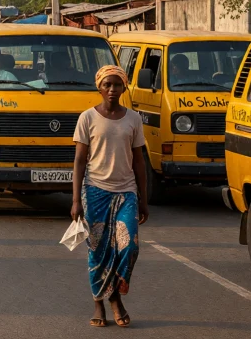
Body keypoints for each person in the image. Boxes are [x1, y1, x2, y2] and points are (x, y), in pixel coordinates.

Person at [70, 65, 149, 329]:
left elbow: (139, 162)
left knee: (128, 246)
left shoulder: (133, 119)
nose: (112, 90)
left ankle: (114, 294)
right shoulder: (87, 118)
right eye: (107, 85)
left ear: (124, 87)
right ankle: (102, 302)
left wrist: (144, 199)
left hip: (126, 192)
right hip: (95, 192)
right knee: (98, 251)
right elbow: (80, 160)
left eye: (117, 85)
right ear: (99, 87)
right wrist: (76, 201)